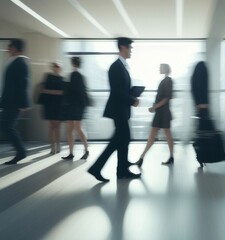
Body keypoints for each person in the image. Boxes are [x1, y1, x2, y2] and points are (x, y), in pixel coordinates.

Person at [88, 37, 141, 182]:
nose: (131, 51)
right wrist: (132, 100)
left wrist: (133, 94)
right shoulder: (116, 67)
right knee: (119, 140)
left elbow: (122, 89)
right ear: (123, 47)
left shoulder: (122, 66)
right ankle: (99, 168)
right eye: (130, 48)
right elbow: (117, 92)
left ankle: (121, 170)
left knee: (123, 140)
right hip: (119, 110)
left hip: (121, 110)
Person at [133, 63, 174, 167]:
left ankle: (170, 157)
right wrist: (155, 107)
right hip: (160, 112)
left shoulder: (168, 81)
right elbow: (162, 98)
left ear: (165, 68)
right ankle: (142, 158)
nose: (159, 69)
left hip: (163, 112)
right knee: (154, 135)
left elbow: (166, 98)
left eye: (160, 67)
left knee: (166, 135)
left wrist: (155, 107)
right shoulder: (164, 81)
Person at [0, 39, 31, 165]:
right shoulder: (14, 62)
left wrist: (23, 104)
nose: (8, 48)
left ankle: (21, 152)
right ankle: (20, 151)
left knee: (7, 127)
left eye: (10, 46)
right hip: (9, 102)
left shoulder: (20, 62)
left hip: (14, 103)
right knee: (6, 126)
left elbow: (23, 85)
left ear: (15, 48)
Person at [61, 57, 89, 160]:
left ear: (72, 63)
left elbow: (72, 90)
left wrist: (65, 86)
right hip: (78, 106)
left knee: (73, 129)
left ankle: (77, 152)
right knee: (75, 128)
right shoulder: (80, 76)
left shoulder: (73, 75)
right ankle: (81, 151)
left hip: (74, 106)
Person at [40, 62, 65, 154]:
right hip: (50, 104)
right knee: (52, 126)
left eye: (58, 67)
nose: (57, 68)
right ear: (53, 68)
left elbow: (63, 92)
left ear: (60, 68)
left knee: (58, 126)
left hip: (59, 105)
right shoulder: (48, 77)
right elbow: (43, 90)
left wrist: (53, 92)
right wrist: (55, 92)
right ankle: (52, 147)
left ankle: (58, 146)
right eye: (55, 67)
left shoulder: (62, 78)